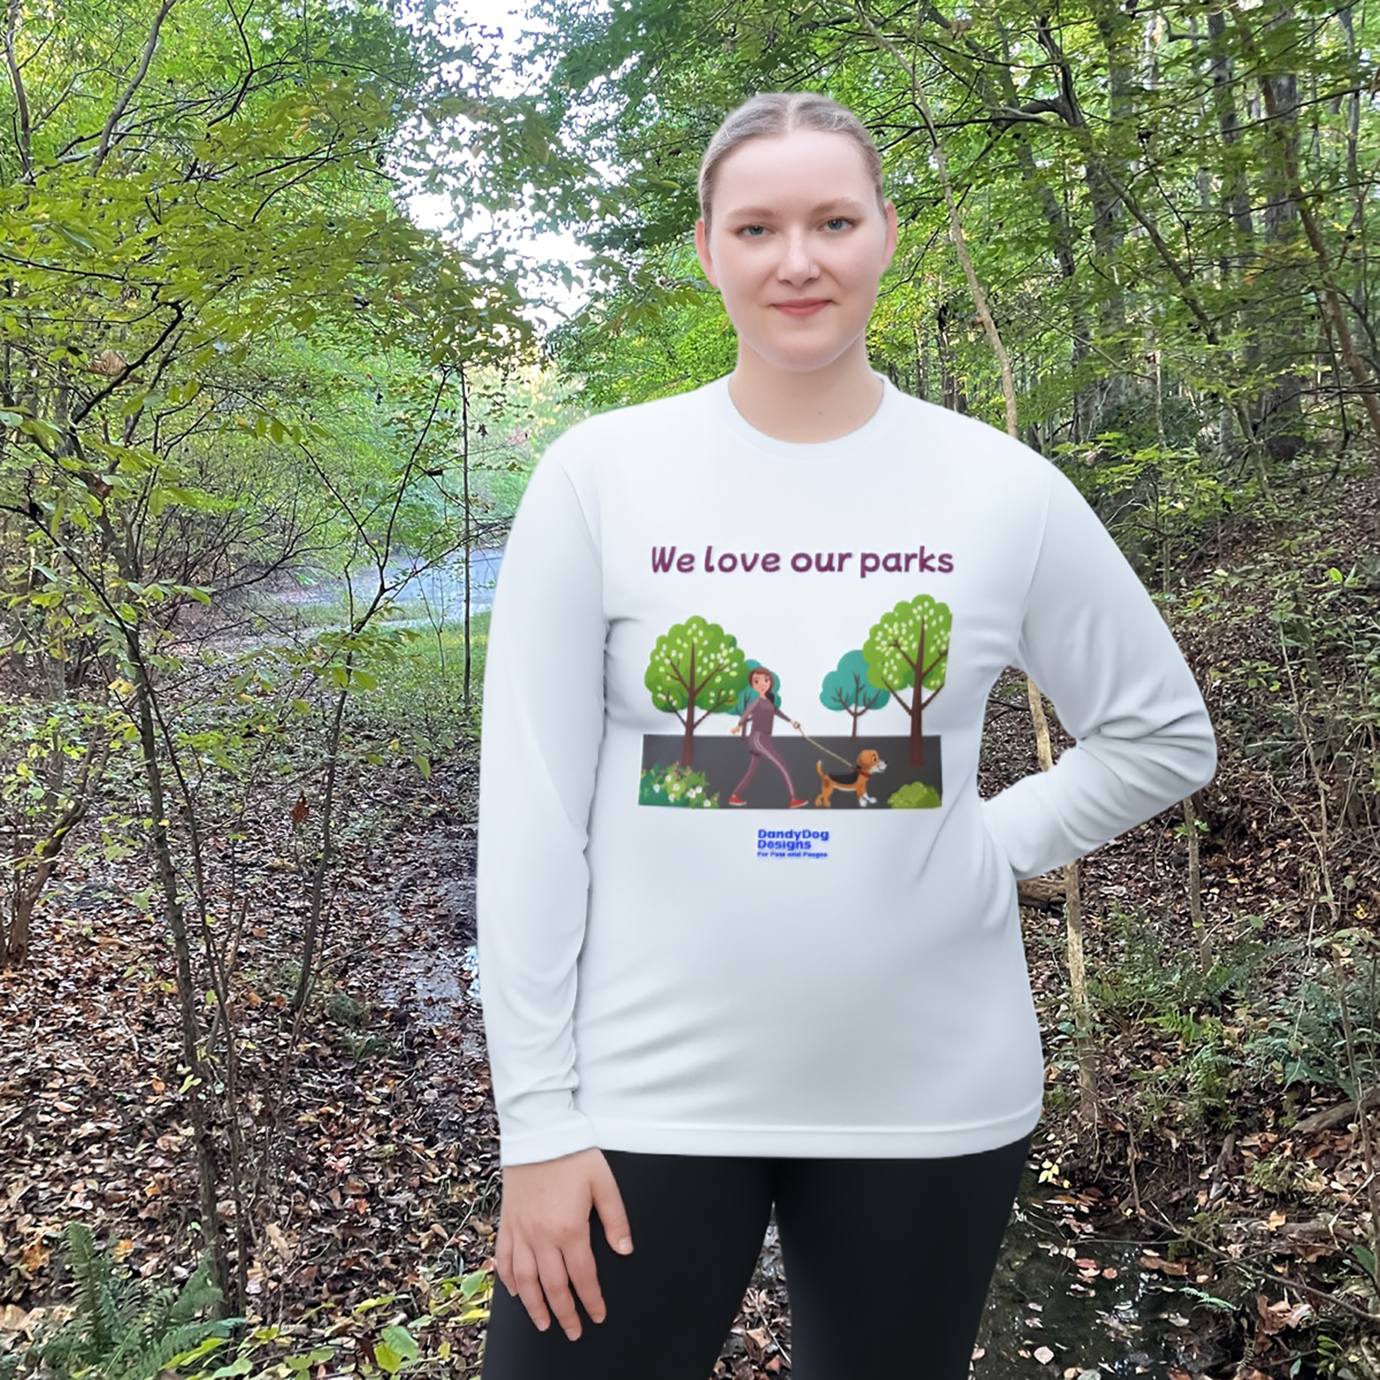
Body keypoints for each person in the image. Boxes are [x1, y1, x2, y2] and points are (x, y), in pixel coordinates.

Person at [475, 91, 1216, 1379]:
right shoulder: (601, 476)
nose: (797, 258)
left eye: (833, 219)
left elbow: (1160, 734)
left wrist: (989, 842)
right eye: (757, 226)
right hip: (641, 1096)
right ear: (707, 248)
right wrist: (536, 1122)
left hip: (929, 1101)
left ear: (885, 236)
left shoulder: (1002, 488)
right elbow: (533, 818)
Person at [728, 666, 805, 807]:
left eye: (765, 680)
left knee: (751, 770)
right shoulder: (757, 701)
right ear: (753, 685)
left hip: (763, 738)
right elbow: (747, 712)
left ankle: (734, 796)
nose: (762, 683)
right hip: (759, 738)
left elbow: (778, 712)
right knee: (783, 766)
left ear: (770, 682)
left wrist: (791, 721)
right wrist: (738, 725)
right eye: (757, 681)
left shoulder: (769, 702)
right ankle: (793, 799)